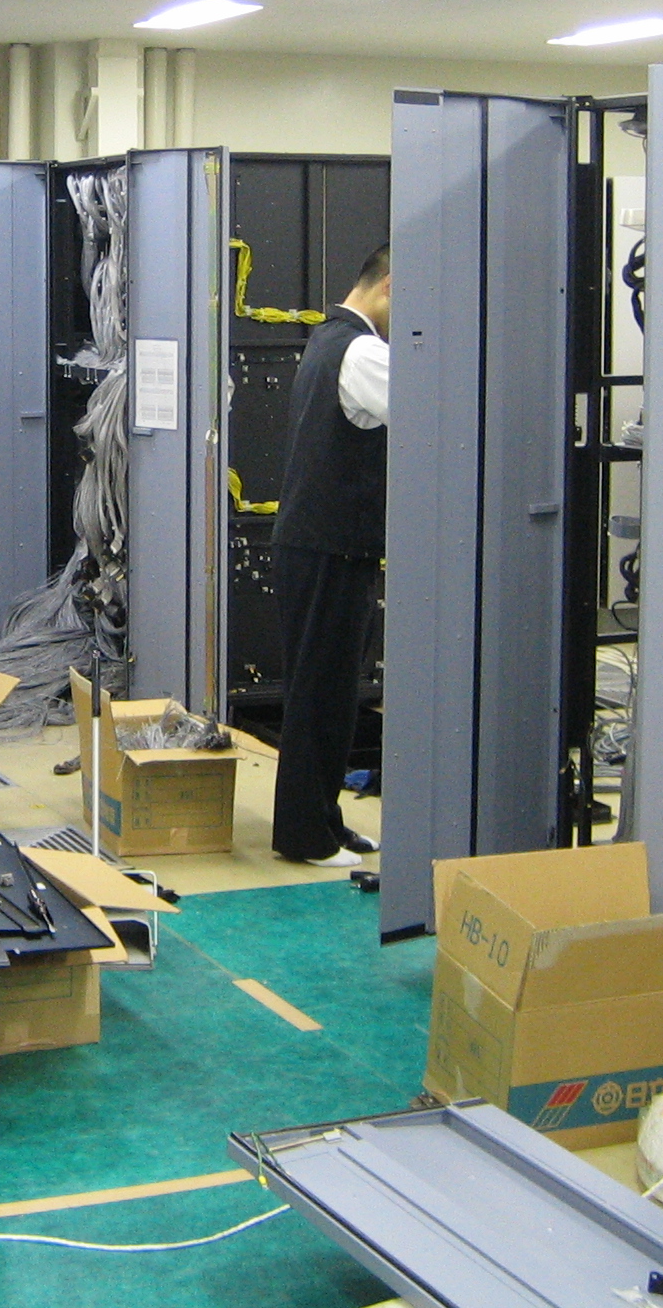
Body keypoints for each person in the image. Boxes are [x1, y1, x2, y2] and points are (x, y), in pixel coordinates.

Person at [271, 243, 391, 866]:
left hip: (317, 545)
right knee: (322, 694)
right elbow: (432, 411)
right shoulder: (364, 352)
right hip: (330, 546)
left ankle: (325, 820)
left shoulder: (327, 338)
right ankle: (305, 836)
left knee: (329, 692)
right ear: (389, 286)